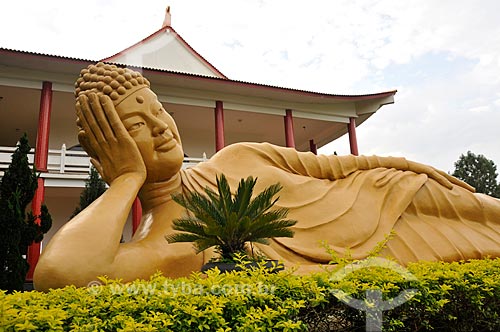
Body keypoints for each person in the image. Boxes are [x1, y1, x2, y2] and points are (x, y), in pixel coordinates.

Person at [34, 63, 500, 291]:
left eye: (159, 111)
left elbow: (341, 167)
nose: (160, 128)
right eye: (136, 126)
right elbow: (62, 274)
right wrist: (127, 178)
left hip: (396, 196)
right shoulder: (167, 241)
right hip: (393, 252)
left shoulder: (238, 155)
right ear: (108, 157)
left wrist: (417, 169)